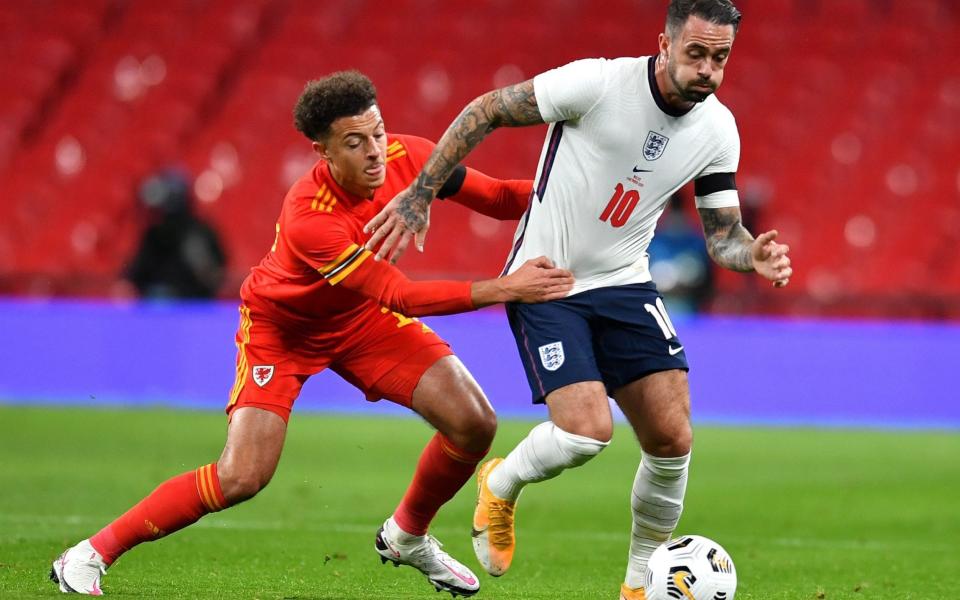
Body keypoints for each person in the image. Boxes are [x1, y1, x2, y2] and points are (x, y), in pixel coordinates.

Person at [50, 70, 573, 598]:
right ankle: (89, 555)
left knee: (474, 423)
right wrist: (508, 287)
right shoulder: (310, 218)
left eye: (378, 132)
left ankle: (407, 535)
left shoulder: (407, 156)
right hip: (284, 330)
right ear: (322, 150)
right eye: (355, 142)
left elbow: (505, 199)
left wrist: (587, 197)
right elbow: (402, 296)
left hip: (358, 319)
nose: (375, 151)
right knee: (242, 477)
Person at [363, 2, 793, 598]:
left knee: (673, 439)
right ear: (664, 45)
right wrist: (418, 194)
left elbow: (723, 236)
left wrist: (754, 256)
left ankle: (641, 583)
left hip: (625, 282)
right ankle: (502, 482)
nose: (709, 71)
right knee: (587, 433)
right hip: (547, 280)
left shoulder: (718, 130)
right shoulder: (597, 83)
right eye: (696, 53)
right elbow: (486, 109)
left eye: (720, 58)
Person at [126, 169, 227, 299]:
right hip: (159, 302)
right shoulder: (155, 234)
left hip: (194, 302)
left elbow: (215, 274)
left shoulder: (199, 232)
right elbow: (138, 272)